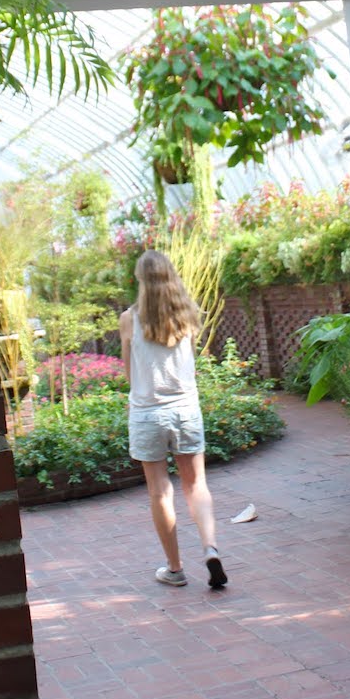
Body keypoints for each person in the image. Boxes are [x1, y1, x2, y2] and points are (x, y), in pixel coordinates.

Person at [119, 250, 228, 591]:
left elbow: (129, 374)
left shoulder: (129, 319)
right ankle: (210, 547)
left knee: (160, 493)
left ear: (140, 281)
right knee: (196, 485)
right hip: (185, 409)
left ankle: (175, 569)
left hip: (147, 413)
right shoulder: (187, 316)